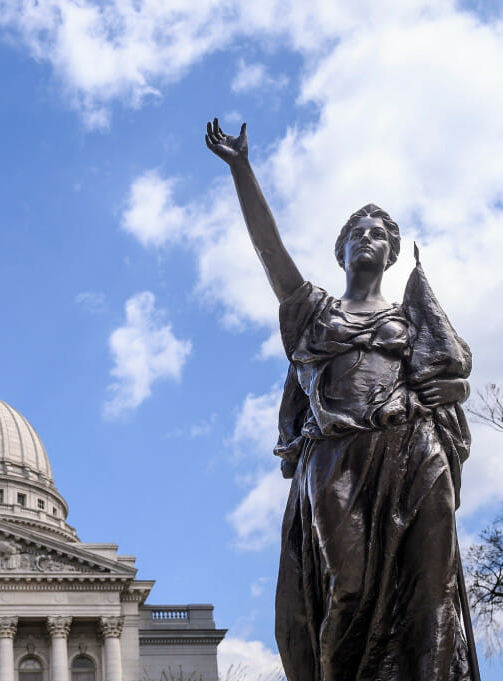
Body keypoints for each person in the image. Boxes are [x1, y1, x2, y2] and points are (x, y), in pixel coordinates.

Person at [205, 119, 478, 681]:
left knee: (431, 591)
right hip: (336, 458)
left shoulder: (410, 319)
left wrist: (454, 389)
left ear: (392, 253)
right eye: (358, 231)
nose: (368, 238)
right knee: (345, 592)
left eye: (379, 233)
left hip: (414, 451)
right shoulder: (313, 314)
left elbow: (449, 375)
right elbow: (270, 252)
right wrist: (242, 169)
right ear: (341, 249)